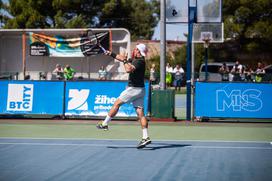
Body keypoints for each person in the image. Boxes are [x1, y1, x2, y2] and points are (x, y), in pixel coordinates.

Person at [96, 43, 151, 149]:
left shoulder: (139, 61)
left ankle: (105, 123)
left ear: (138, 51)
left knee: (116, 104)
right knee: (141, 114)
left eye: (135, 49)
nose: (133, 50)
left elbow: (128, 69)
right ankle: (145, 137)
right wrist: (111, 54)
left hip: (133, 89)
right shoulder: (136, 60)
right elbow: (122, 58)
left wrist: (125, 61)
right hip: (141, 90)